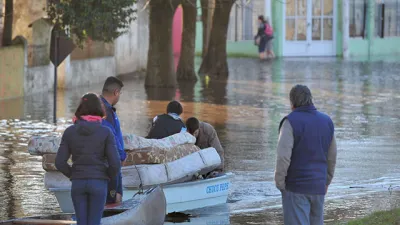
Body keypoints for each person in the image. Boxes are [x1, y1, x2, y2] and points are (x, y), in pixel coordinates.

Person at [274, 85, 337, 225]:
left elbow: (283, 156)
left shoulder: (290, 122)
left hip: (296, 188)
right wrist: (326, 181)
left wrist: (280, 183)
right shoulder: (327, 121)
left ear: (292, 102)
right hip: (318, 187)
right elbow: (332, 157)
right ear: (311, 100)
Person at [55, 93, 121, 225]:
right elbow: (115, 164)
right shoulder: (106, 132)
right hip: (99, 182)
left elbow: (60, 162)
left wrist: (74, 174)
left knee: (81, 222)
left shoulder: (70, 132)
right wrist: (106, 176)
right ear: (99, 109)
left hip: (78, 183)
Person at [100, 76, 126, 204]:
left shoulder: (101, 108)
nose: (119, 96)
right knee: (112, 202)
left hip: (106, 165)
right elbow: (113, 141)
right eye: (119, 93)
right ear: (116, 92)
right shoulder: (106, 113)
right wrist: (122, 156)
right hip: (110, 165)